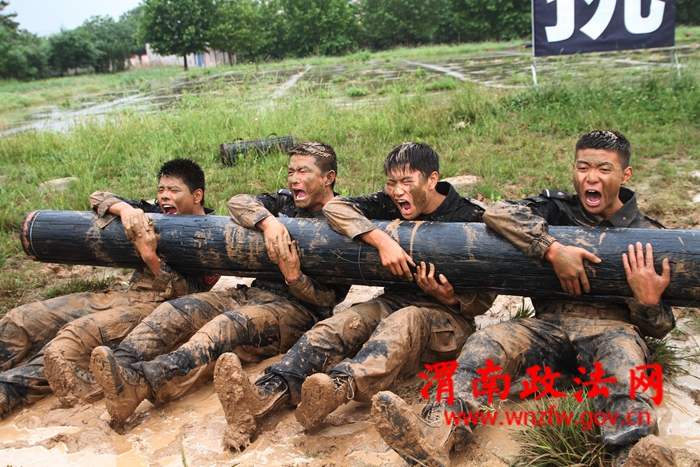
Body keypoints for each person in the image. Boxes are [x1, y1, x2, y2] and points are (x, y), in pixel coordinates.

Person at [371, 130, 677, 467]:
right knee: (485, 343)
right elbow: (497, 212)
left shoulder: (649, 233)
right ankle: (437, 434)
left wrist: (648, 302)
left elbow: (661, 327)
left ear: (625, 174)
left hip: (612, 330)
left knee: (625, 369)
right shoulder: (554, 211)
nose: (591, 178)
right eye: (583, 167)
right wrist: (551, 248)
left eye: (604, 169)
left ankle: (633, 453)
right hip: (547, 328)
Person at [214, 142, 495, 450]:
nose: (397, 191)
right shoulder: (389, 203)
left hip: (449, 318)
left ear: (431, 180)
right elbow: (335, 208)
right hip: (393, 302)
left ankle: (335, 389)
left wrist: (450, 297)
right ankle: (264, 394)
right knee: (341, 324)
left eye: (406, 181)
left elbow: (487, 295)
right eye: (391, 182)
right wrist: (383, 241)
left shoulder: (469, 216)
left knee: (406, 320)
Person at [89, 141, 350, 427]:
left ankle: (141, 384)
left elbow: (327, 300)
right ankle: (115, 370)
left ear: (328, 177)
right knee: (177, 310)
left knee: (222, 329)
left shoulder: (344, 219)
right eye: (291, 172)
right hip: (254, 293)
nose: (294, 179)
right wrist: (269, 223)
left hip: (298, 310)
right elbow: (238, 202)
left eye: (303, 172)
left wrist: (294, 278)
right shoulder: (284, 203)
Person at [0, 158, 218, 417]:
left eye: (173, 190)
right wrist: (126, 210)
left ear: (197, 196)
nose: (164, 197)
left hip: (157, 310)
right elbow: (98, 196)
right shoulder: (154, 212)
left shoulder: (216, 238)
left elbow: (188, 296)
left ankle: (7, 393)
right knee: (23, 318)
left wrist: (151, 257)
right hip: (122, 297)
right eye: (161, 189)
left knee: (73, 339)